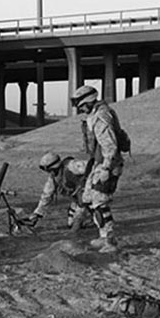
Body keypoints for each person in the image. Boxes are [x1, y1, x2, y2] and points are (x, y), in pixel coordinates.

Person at [71, 85, 124, 253]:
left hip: (108, 164)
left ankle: (110, 240)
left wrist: (107, 168)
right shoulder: (94, 115)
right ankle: (103, 236)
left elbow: (110, 145)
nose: (79, 108)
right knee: (88, 198)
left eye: (79, 104)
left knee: (100, 202)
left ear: (87, 101)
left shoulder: (101, 116)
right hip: (99, 163)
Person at [28, 152, 91, 230]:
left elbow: (91, 166)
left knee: (76, 224)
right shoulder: (53, 179)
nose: (49, 173)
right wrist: (37, 213)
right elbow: (46, 196)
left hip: (87, 196)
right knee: (71, 223)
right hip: (76, 200)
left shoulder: (72, 166)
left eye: (49, 170)